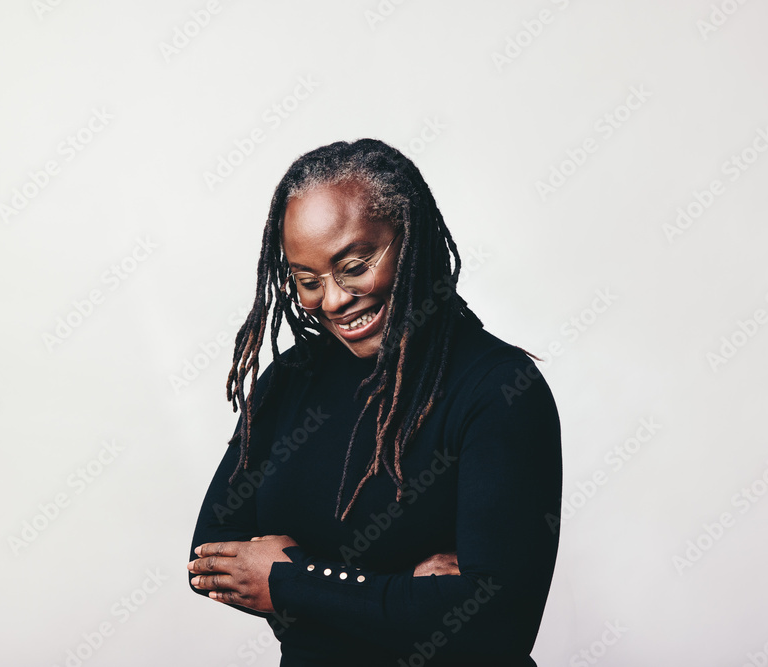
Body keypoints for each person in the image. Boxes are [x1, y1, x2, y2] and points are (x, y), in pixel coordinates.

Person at [187, 138, 562, 666]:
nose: (335, 300)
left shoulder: (500, 389)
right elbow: (208, 558)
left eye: (355, 266)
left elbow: (494, 624)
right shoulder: (292, 379)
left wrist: (291, 579)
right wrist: (402, 594)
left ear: (409, 238)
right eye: (308, 280)